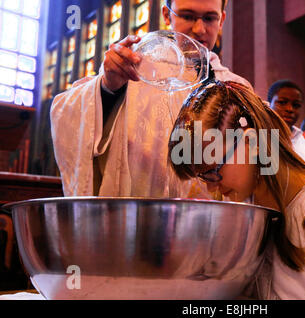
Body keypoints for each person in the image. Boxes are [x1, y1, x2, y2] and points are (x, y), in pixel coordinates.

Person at [168, 80, 305, 299]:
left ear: (252, 143)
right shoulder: (251, 213)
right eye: (202, 176)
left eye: (212, 170)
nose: (211, 185)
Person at [50, 0, 252, 197]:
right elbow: (66, 111)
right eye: (188, 16)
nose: (200, 29)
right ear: (166, 15)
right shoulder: (133, 68)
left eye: (209, 18)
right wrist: (109, 88)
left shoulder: (238, 88)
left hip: (215, 223)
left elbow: (263, 168)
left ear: (222, 19)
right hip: (142, 219)